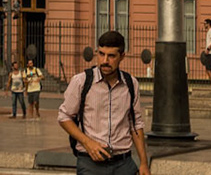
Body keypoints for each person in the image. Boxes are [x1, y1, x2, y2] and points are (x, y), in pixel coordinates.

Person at [59, 29, 151, 175]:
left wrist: (144, 163)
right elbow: (64, 117)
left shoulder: (131, 84)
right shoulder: (81, 81)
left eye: (111, 56)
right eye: (101, 54)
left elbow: (136, 123)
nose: (105, 61)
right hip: (90, 163)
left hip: (124, 164)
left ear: (122, 56)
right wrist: (88, 143)